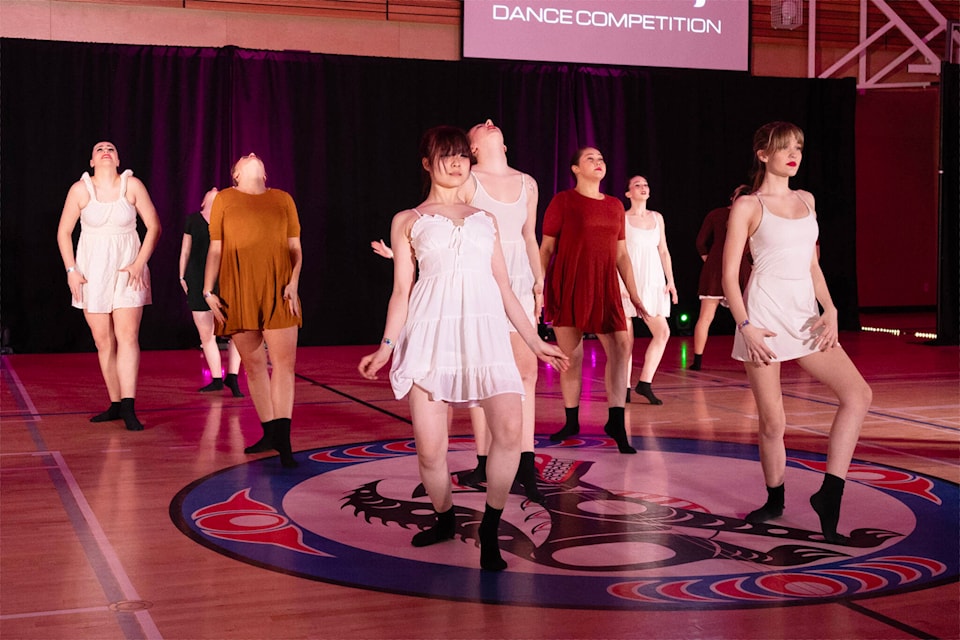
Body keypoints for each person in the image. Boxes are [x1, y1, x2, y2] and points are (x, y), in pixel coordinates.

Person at [358, 126, 568, 572]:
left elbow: (506, 289)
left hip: (487, 337)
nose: (456, 163)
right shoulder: (407, 220)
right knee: (431, 451)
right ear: (426, 162)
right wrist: (386, 347)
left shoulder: (484, 219)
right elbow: (401, 291)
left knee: (509, 434)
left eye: (461, 156)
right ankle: (445, 518)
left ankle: (490, 526)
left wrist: (535, 340)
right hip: (430, 339)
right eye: (446, 156)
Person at [722, 121, 872, 543]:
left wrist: (832, 307)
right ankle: (775, 498)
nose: (794, 154)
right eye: (784, 147)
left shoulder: (806, 199)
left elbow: (811, 263)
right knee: (774, 421)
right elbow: (729, 275)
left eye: (799, 148)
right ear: (763, 154)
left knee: (858, 394)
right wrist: (745, 325)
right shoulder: (748, 206)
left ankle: (830, 494)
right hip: (764, 317)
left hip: (805, 314)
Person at [539, 147, 646, 454]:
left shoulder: (614, 206)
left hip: (604, 285)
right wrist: (538, 287)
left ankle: (615, 420)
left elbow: (622, 254)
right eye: (590, 159)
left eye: (602, 158)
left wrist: (634, 292)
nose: (599, 162)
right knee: (572, 357)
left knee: (622, 347)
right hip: (569, 282)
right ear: (575, 169)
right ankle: (571, 420)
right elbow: (546, 249)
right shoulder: (564, 201)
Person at [203, 153, 303, 469]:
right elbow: (216, 248)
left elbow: (295, 247)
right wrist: (208, 290)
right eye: (244, 158)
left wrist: (294, 282)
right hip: (238, 288)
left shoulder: (282, 199)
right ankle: (270, 432)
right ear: (236, 174)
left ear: (265, 172)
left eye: (256, 156)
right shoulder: (225, 200)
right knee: (254, 365)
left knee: (284, 365)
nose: (251, 155)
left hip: (279, 288)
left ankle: (283, 439)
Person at [57, 141, 162, 431]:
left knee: (127, 336)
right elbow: (64, 232)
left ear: (117, 159)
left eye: (111, 148)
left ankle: (128, 405)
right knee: (103, 340)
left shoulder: (132, 185)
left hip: (128, 268)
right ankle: (115, 403)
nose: (106, 150)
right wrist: (71, 271)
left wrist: (140, 263)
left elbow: (153, 225)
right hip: (92, 272)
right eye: (100, 148)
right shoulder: (80, 190)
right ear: (92, 160)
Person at [618, 175, 677, 405]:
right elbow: (617, 254)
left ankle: (645, 383)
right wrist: (620, 283)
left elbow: (663, 250)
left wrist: (670, 280)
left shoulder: (657, 218)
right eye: (637, 185)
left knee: (662, 332)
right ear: (628, 193)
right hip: (629, 281)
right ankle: (623, 388)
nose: (643, 188)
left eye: (645, 185)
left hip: (652, 281)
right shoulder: (622, 219)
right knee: (626, 340)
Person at [179, 187, 243, 397]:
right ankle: (217, 378)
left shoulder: (229, 220)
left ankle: (232, 376)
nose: (215, 189)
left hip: (225, 279)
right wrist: (181, 276)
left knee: (236, 331)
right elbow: (185, 250)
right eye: (210, 190)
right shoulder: (192, 220)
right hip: (197, 279)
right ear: (202, 202)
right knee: (206, 333)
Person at [689, 195, 751, 371]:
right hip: (740, 269)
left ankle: (698, 362)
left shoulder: (716, 214)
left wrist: (710, 261)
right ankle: (750, 361)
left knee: (706, 317)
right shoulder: (751, 215)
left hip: (716, 270)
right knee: (745, 319)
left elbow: (701, 242)